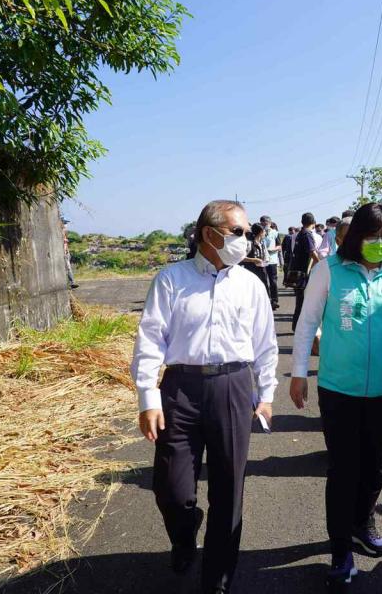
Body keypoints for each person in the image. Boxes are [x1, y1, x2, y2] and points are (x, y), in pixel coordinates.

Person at [131, 200, 278, 594]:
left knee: (229, 490)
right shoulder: (171, 279)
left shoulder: (250, 284)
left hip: (234, 386)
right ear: (209, 233)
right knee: (171, 488)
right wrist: (148, 397)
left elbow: (265, 344)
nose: (246, 240)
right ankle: (184, 533)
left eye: (247, 232)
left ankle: (218, 579)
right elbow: (149, 341)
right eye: (238, 232)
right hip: (181, 388)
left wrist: (266, 394)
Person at [290, 203, 382, 591]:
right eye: (372, 236)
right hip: (338, 389)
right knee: (343, 469)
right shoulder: (329, 270)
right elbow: (307, 324)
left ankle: (362, 521)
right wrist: (298, 373)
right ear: (355, 238)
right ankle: (339, 550)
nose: (380, 243)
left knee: (373, 467)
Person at [290, 213, 321, 331]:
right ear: (313, 223)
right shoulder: (307, 234)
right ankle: (299, 327)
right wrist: (321, 264)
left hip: (297, 272)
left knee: (300, 301)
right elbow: (312, 253)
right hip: (303, 273)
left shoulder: (299, 234)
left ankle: (296, 326)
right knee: (303, 302)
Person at [260, 215, 281, 310]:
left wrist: (273, 249)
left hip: (272, 260)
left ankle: (274, 300)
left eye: (266, 223)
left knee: (273, 281)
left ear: (270, 223)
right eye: (263, 223)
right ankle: (265, 300)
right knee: (263, 280)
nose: (265, 225)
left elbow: (279, 246)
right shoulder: (259, 233)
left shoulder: (275, 233)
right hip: (262, 260)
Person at [243, 223, 269, 290]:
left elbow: (265, 256)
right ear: (260, 232)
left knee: (263, 288)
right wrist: (253, 260)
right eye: (264, 231)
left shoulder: (262, 243)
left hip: (262, 270)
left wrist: (266, 260)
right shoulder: (249, 243)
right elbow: (241, 258)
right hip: (251, 271)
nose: (265, 233)